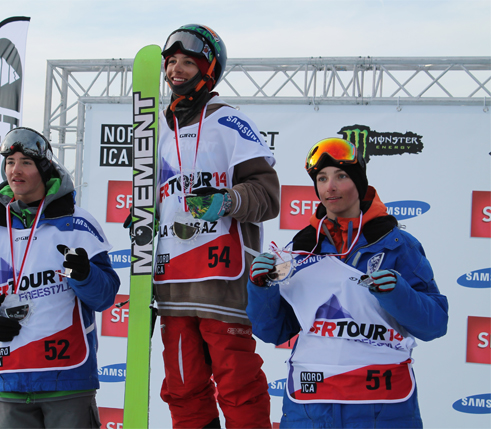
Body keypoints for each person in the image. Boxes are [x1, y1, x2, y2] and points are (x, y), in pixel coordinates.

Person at [246, 137, 449, 428]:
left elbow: (435, 324)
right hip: (311, 407)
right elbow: (273, 331)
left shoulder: (397, 245)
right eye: (322, 178)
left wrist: (397, 292)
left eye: (341, 176)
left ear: (359, 182)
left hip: (383, 407)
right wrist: (261, 288)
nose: (331, 186)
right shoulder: (299, 250)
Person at [153, 24, 281, 428]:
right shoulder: (154, 129)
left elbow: (268, 194)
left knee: (238, 386)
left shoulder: (227, 121)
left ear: (208, 71)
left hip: (221, 283)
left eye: (187, 62)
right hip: (172, 286)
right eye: (171, 62)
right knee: (183, 389)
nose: (176, 70)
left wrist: (228, 200)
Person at [0, 127, 120, 429]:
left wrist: (85, 275)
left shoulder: (77, 224)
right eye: (9, 162)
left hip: (66, 378)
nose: (15, 170)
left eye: (26, 162)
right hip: (8, 380)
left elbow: (105, 295)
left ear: (44, 169)